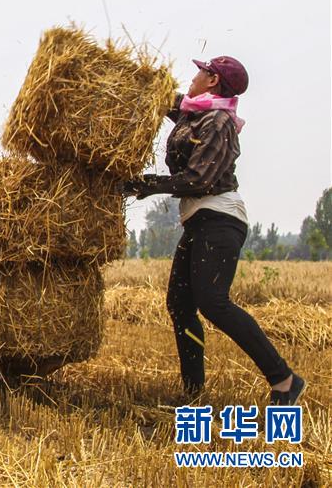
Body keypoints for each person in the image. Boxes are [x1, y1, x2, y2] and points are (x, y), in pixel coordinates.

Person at [125, 56, 305, 406]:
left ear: (212, 81)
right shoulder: (194, 114)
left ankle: (284, 379)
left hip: (220, 219)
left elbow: (199, 178)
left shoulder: (218, 122)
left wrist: (148, 184)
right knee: (180, 304)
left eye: (199, 72)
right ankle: (193, 394)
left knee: (213, 302)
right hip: (199, 220)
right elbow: (164, 98)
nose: (191, 78)